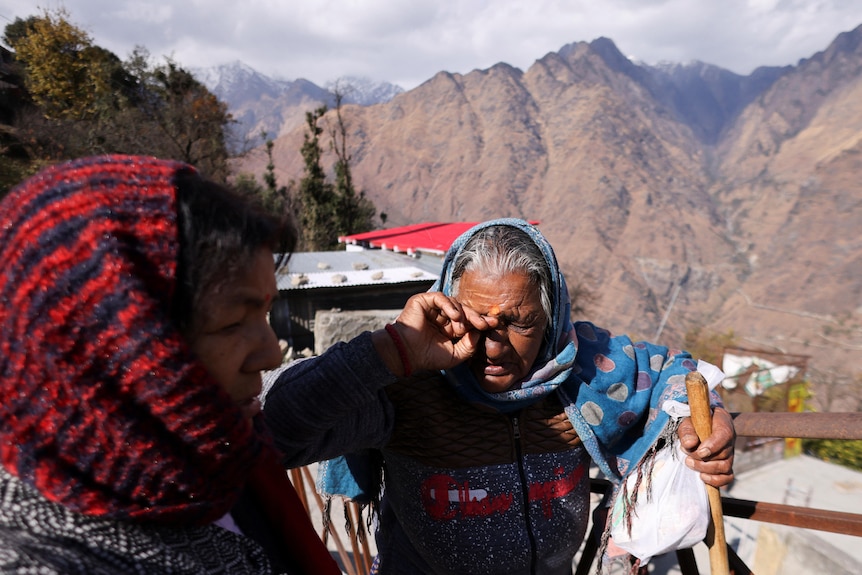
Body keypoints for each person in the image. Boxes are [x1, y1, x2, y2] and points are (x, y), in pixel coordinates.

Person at [263, 218, 735, 575]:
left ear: (550, 319)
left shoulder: (586, 369)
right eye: (473, 322)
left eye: (519, 323)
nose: (491, 348)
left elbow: (678, 370)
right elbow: (267, 429)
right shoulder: (404, 386)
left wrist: (707, 418)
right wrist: (388, 351)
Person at [0, 155, 340, 574]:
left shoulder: (206, 460)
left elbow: (295, 408)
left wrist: (392, 351)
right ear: (108, 343)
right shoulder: (43, 561)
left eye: (265, 315)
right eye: (233, 322)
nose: (271, 353)